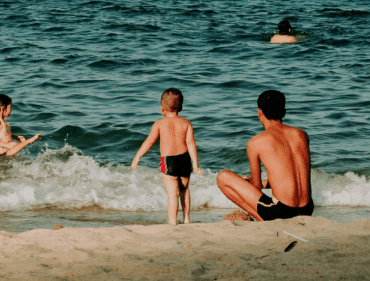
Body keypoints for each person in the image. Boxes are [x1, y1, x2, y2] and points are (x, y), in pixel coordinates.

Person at [216, 90, 313, 221]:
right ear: (283, 111)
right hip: (307, 210)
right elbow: (292, 176)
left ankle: (261, 220)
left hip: (281, 212)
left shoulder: (256, 142)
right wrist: (265, 183)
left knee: (223, 177)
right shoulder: (302, 135)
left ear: (259, 112)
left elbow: (256, 188)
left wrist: (249, 183)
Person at [131, 88, 202, 225]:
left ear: (162, 108)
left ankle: (173, 221)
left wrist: (138, 156)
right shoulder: (186, 123)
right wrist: (195, 164)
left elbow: (149, 142)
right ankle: (186, 219)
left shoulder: (159, 124)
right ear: (180, 107)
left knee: (172, 194)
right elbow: (191, 144)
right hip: (185, 159)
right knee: (184, 190)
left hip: (168, 161)